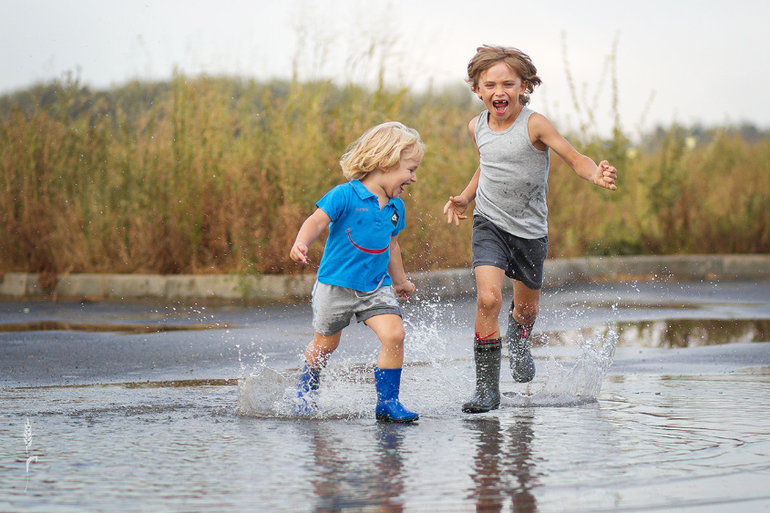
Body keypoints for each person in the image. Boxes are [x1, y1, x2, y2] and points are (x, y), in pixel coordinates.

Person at [444, 45, 618, 413]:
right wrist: (464, 197)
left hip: (530, 231)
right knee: (488, 298)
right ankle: (487, 390)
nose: (499, 91)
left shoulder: (534, 124)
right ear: (477, 89)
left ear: (524, 86)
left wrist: (595, 174)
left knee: (525, 309)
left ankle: (519, 342)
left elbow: (574, 157)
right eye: (490, 84)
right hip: (488, 222)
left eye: (508, 83)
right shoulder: (476, 126)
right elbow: (486, 166)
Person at [290, 121, 425, 423]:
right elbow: (316, 222)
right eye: (411, 169)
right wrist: (301, 242)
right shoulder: (344, 195)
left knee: (395, 333)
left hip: (376, 287)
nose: (414, 178)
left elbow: (392, 246)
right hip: (335, 287)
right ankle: (307, 384)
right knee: (325, 346)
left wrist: (400, 281)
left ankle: (387, 403)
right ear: (386, 162)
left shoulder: (396, 207)